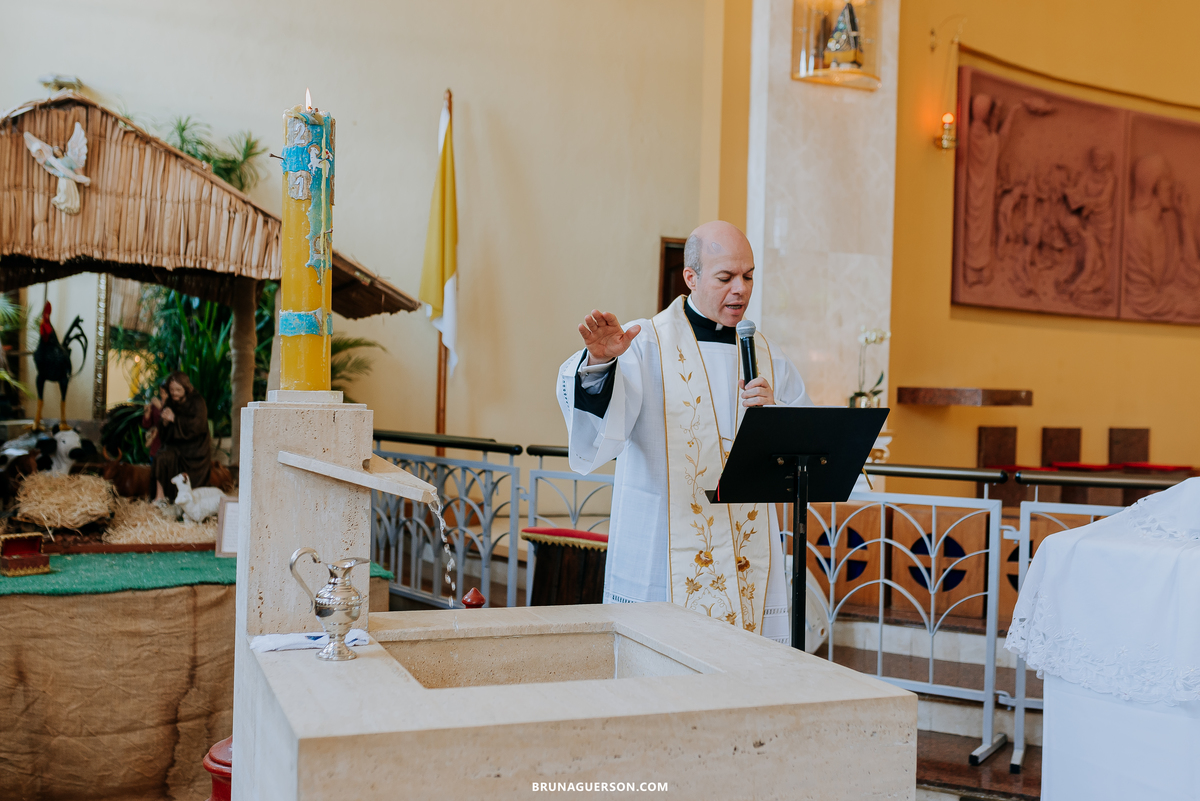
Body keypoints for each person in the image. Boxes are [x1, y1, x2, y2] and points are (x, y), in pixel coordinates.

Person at [556, 221, 812, 644]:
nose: (741, 290)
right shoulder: (645, 343)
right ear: (690, 278)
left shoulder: (767, 354)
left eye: (748, 277)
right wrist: (599, 365)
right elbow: (603, 426)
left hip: (749, 552)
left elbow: (808, 441)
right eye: (726, 277)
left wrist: (775, 415)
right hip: (666, 549)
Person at [152, 372, 213, 504]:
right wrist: (165, 423)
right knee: (161, 457)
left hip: (195, 450)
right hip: (176, 447)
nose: (174, 393)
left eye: (178, 390)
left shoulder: (197, 402)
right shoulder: (170, 402)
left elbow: (197, 426)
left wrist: (174, 419)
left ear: (186, 388)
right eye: (172, 390)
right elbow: (163, 434)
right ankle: (160, 497)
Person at [141, 382, 168, 458]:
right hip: (155, 449)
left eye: (166, 393)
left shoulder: (175, 406)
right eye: (161, 393)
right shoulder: (155, 405)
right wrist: (147, 412)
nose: (163, 396)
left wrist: (161, 408)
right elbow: (146, 425)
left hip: (168, 449)